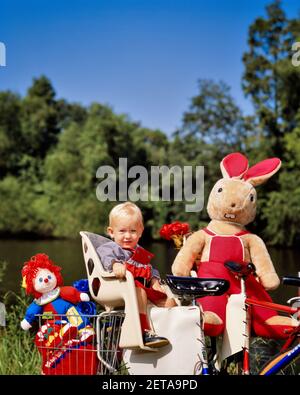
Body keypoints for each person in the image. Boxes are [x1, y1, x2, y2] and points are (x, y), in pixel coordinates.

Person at [97, 202, 176, 348]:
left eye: (133, 231)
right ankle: (144, 332)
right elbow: (105, 256)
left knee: (170, 301)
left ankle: (171, 332)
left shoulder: (139, 251)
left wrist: (154, 282)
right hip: (119, 288)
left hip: (143, 288)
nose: (128, 236)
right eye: (122, 231)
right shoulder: (111, 248)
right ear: (111, 232)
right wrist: (115, 264)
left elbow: (150, 269)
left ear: (140, 232)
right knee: (140, 293)